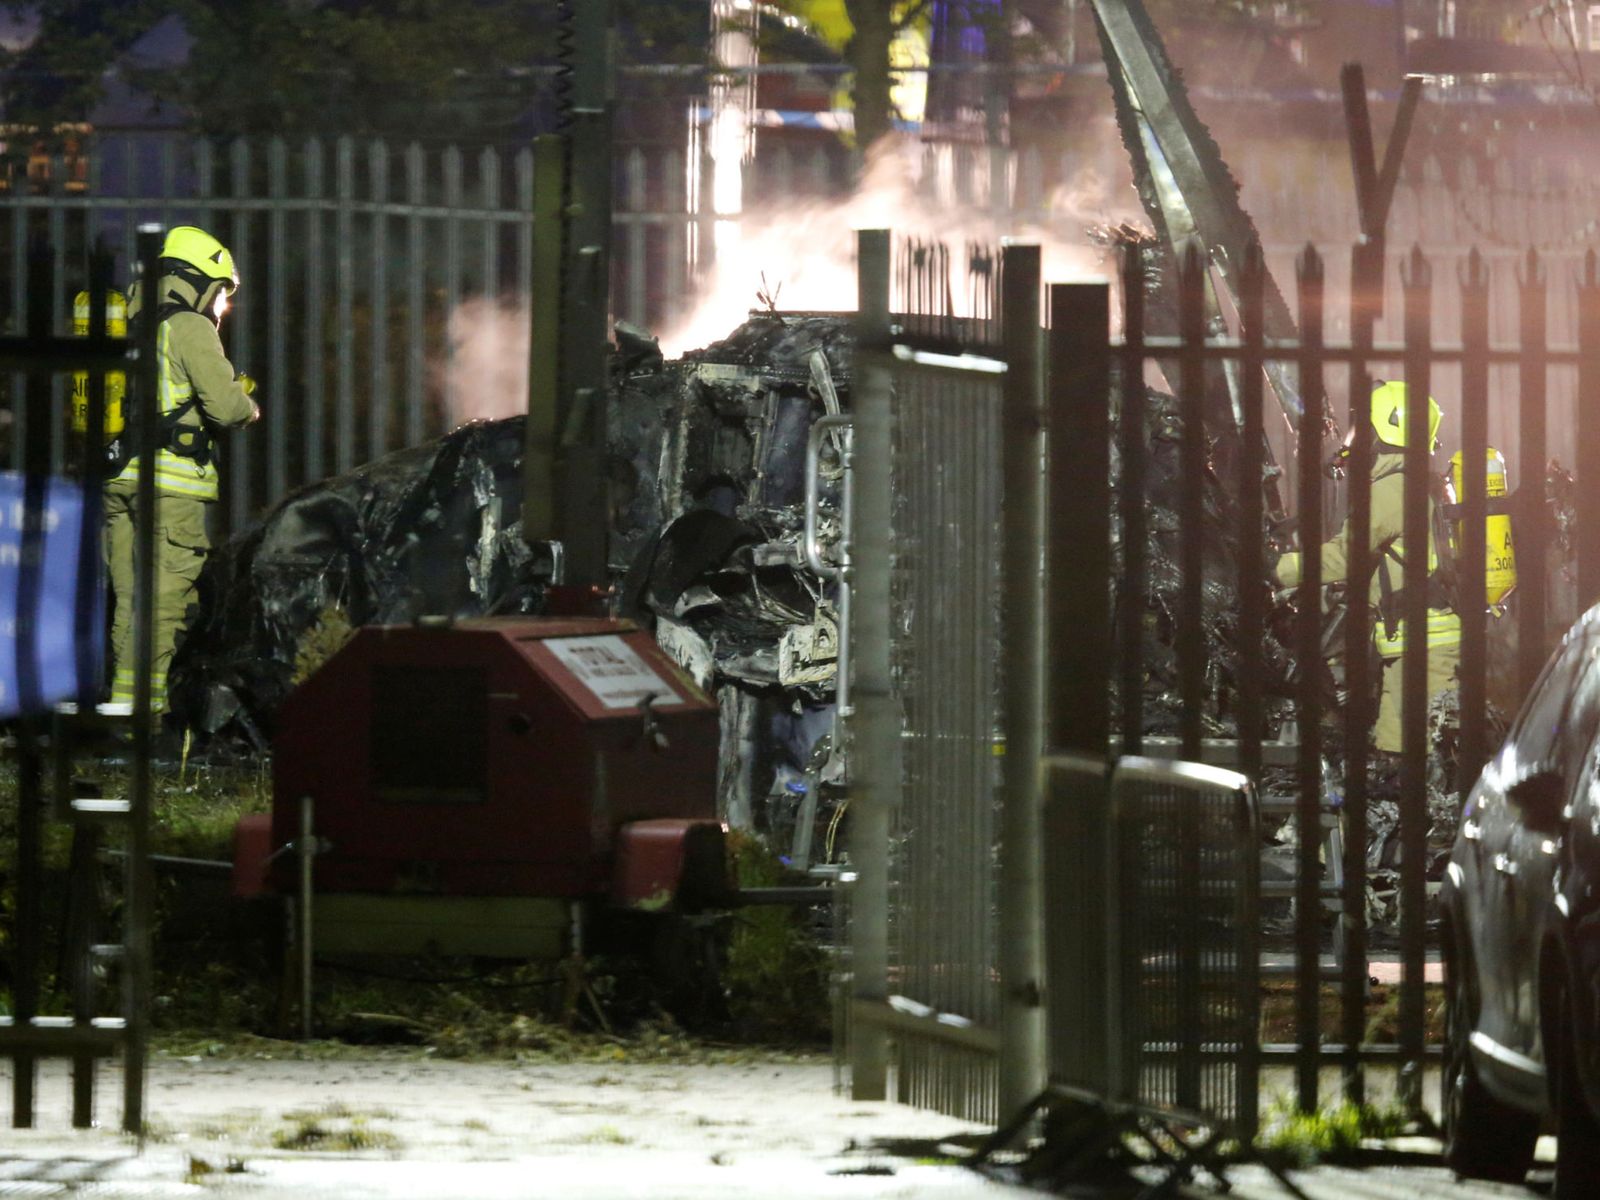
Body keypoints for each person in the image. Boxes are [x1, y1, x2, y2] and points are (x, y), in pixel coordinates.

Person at [103, 226, 259, 719]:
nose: (221, 305)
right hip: (170, 486)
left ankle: (122, 714)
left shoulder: (125, 319)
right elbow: (228, 410)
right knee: (164, 605)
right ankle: (142, 727)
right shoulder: (189, 326)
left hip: (116, 478)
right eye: (220, 293)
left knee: (130, 601)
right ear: (199, 281)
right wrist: (247, 400)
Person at [1273, 381, 1460, 753]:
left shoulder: (1394, 490)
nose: (1357, 438)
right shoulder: (1417, 482)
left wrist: (1274, 568)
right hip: (1415, 646)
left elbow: (1346, 556)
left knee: (1420, 760)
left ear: (1386, 430)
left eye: (1365, 427)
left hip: (1424, 648)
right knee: (1397, 750)